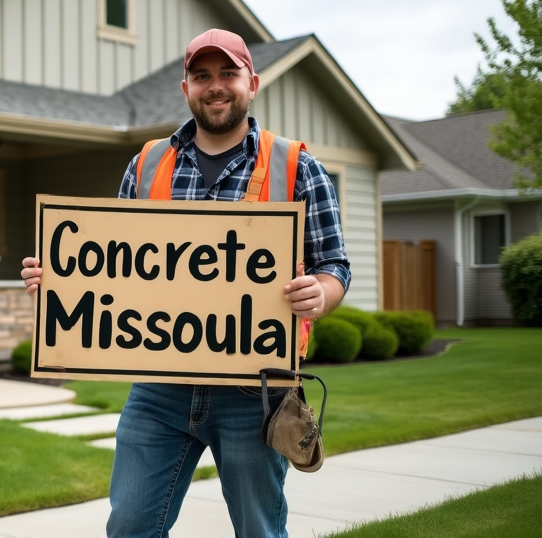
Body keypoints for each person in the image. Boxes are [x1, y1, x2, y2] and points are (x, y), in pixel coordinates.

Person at [19, 28, 350, 538]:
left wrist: (321, 294)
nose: (215, 86)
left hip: (255, 390)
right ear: (186, 89)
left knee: (259, 531)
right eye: (202, 76)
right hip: (158, 389)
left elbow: (335, 265)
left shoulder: (298, 167)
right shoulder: (147, 164)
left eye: (227, 74)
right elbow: (114, 263)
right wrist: (60, 278)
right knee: (129, 527)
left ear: (252, 83)